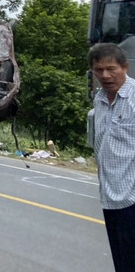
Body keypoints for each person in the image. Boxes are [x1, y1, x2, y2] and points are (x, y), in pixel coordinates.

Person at [89, 42, 135, 271]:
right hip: (110, 195)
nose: (105, 75)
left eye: (111, 69)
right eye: (99, 70)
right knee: (122, 261)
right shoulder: (99, 99)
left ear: (125, 67)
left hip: (132, 196)